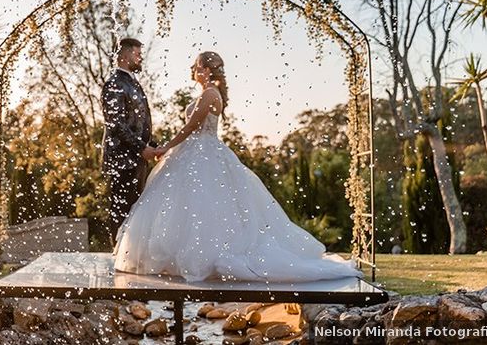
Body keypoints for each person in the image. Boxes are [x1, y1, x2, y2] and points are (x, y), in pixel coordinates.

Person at [113, 51, 362, 282]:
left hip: (203, 153)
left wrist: (165, 148)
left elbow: (190, 128)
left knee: (203, 207)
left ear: (208, 71)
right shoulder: (207, 93)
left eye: (197, 66)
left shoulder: (210, 94)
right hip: (194, 153)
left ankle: (203, 259)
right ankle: (180, 258)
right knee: (190, 208)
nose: (193, 69)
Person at [101, 38, 157, 247]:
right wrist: (142, 148)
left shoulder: (132, 82)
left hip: (137, 157)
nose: (140, 57)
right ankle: (118, 254)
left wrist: (152, 145)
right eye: (137, 53)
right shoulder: (114, 84)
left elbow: (138, 122)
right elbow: (116, 124)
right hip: (121, 159)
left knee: (135, 209)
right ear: (124, 56)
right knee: (121, 208)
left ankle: (130, 253)